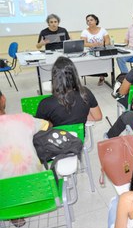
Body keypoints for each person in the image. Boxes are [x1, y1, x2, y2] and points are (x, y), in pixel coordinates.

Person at [0, 90, 50, 227]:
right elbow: (48, 125)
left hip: (4, 197)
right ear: (3, 99)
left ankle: (14, 213)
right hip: (38, 187)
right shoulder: (24, 119)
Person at [36, 56, 102, 127]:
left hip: (57, 137)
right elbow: (98, 117)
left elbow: (40, 127)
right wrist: (83, 114)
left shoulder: (45, 103)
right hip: (79, 137)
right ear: (74, 74)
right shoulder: (85, 93)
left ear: (54, 77)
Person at [81, 14, 111, 85]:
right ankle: (101, 74)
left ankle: (102, 76)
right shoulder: (85, 32)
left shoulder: (103, 30)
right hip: (89, 51)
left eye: (91, 20)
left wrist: (102, 45)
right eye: (87, 21)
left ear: (96, 21)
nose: (89, 22)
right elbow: (83, 43)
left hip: (101, 50)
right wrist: (93, 45)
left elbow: (107, 41)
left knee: (102, 59)